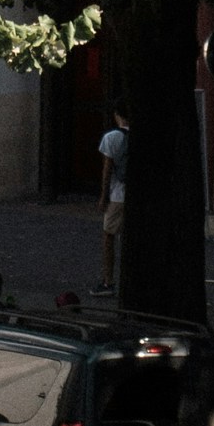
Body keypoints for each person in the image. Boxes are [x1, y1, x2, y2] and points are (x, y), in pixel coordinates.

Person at [98, 105, 129, 291]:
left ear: (117, 115)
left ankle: (108, 280)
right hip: (137, 196)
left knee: (109, 235)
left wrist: (103, 196)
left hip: (117, 195)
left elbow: (107, 170)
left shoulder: (111, 138)